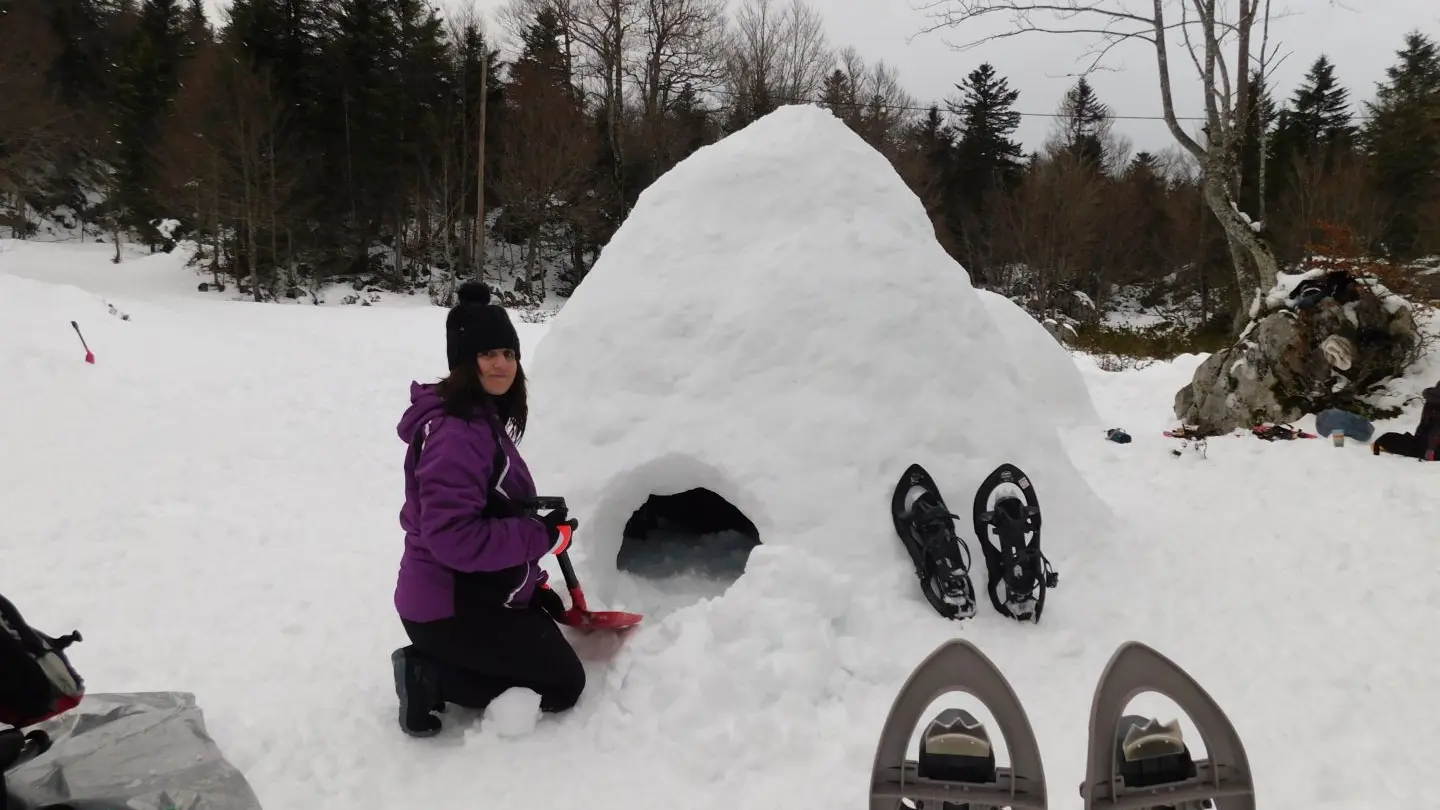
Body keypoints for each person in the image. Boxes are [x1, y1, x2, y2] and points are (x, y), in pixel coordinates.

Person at [390, 281, 585, 737]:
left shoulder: (479, 419)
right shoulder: (457, 434)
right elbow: (455, 538)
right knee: (563, 684)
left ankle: (456, 654)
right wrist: (540, 538)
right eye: (487, 354)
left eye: (509, 353)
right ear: (464, 361)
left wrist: (532, 586)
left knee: (544, 645)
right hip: (446, 608)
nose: (502, 364)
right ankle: (427, 676)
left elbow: (496, 509)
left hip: (472, 593)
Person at [1371, 382, 1440, 461]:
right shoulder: (1434, 400)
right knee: (1387, 439)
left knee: (1387, 439)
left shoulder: (1433, 398)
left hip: (1424, 444)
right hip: (1429, 449)